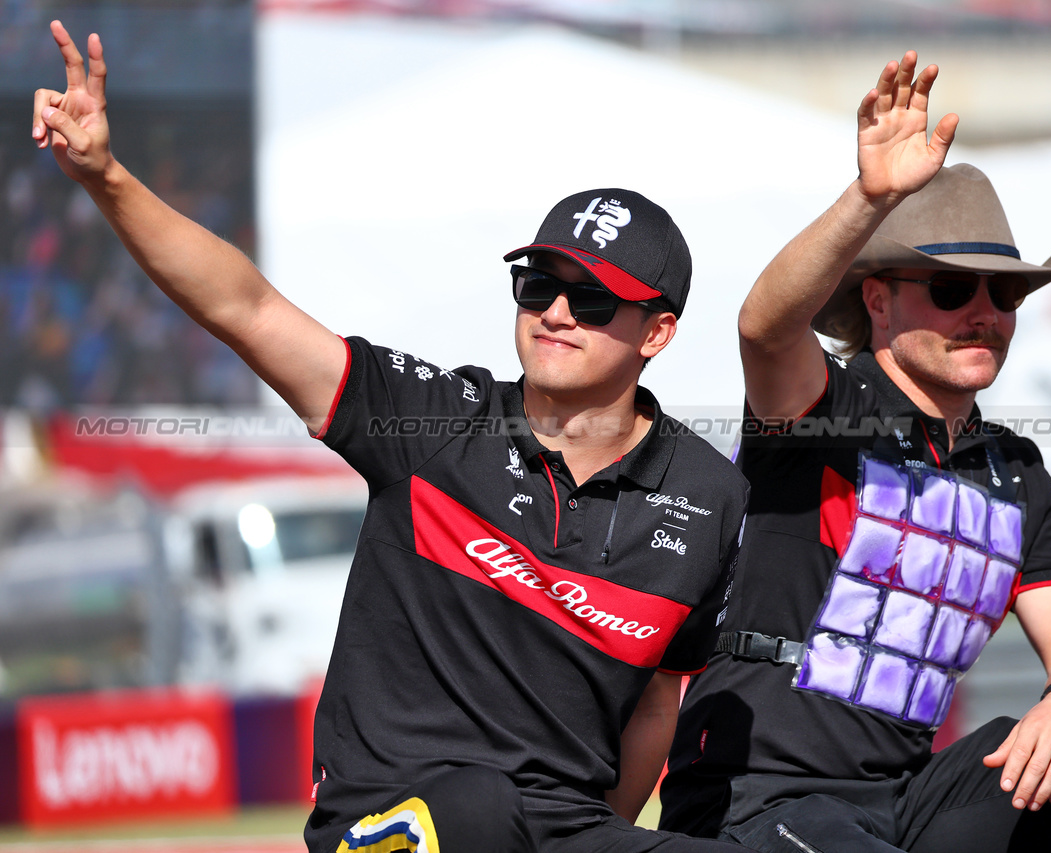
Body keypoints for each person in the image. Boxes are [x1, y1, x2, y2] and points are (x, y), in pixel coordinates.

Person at [33, 21, 753, 853]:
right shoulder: (430, 419)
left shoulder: (711, 496)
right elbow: (248, 308)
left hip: (559, 828)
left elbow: (659, 703)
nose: (555, 312)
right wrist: (107, 177)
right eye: (538, 285)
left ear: (657, 332)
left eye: (592, 301)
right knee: (478, 810)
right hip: (389, 818)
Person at [659, 53, 1051, 852]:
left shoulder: (1017, 471)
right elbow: (763, 326)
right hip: (754, 797)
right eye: (954, 287)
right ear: (878, 297)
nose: (985, 313)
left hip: (907, 798)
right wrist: (868, 197)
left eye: (1005, 293)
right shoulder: (823, 405)